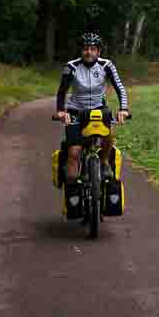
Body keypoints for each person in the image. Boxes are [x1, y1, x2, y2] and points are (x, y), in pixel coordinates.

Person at [54, 33, 130, 208]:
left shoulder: (106, 65)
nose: (89, 52)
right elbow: (61, 92)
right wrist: (61, 111)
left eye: (93, 49)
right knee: (74, 153)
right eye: (85, 49)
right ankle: (73, 196)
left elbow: (119, 87)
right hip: (76, 111)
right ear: (81, 50)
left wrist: (123, 109)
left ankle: (103, 162)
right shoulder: (71, 67)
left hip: (98, 109)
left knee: (108, 137)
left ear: (98, 51)